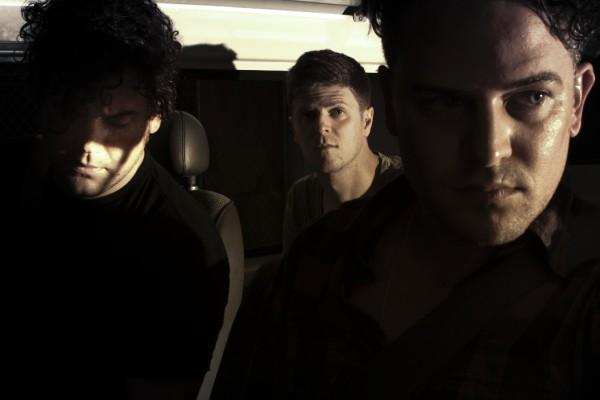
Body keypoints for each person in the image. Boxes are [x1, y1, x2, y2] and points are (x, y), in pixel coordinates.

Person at [233, 0, 600, 398]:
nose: (489, 151)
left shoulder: (586, 297)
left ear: (576, 101)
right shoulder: (316, 260)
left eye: (533, 97)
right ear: (392, 103)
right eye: (444, 102)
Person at [15, 1, 228, 399]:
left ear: (154, 118)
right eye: (68, 114)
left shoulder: (182, 249)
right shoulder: (21, 175)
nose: (88, 146)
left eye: (117, 121)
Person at [282, 49, 402, 251]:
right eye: (309, 115)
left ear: (366, 122)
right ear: (294, 129)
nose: (321, 126)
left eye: (337, 112)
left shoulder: (406, 188)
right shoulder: (302, 198)